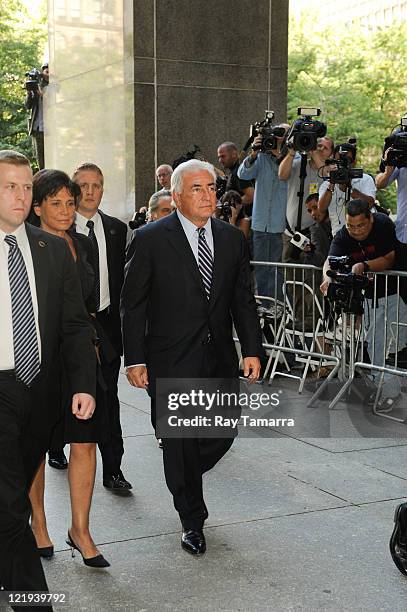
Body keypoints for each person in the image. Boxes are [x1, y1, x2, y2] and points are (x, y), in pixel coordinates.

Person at [121, 159, 263, 555]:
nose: (208, 195)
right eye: (198, 189)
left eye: (212, 188)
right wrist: (135, 359)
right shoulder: (150, 239)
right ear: (178, 195)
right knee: (182, 440)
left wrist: (252, 349)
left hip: (217, 357)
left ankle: (181, 469)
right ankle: (192, 519)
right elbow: (132, 306)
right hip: (169, 359)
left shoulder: (232, 238)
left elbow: (242, 301)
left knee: (223, 432)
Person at [0, 150, 96, 602]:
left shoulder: (52, 248)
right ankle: (32, 599)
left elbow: (75, 324)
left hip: (38, 390)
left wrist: (82, 385)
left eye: (24, 186)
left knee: (11, 495)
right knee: (11, 503)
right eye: (8, 187)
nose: (19, 196)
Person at [28, 169, 110, 568]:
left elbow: (90, 302)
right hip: (39, 359)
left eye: (69, 203)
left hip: (81, 355)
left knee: (85, 440)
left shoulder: (82, 244)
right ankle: (39, 523)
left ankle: (80, 529)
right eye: (55, 203)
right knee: (38, 447)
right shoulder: (24, 247)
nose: (65, 210)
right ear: (38, 206)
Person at [71, 163, 131, 490]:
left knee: (108, 399)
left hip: (107, 326)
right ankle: (56, 446)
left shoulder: (116, 230)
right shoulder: (61, 230)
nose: (91, 191)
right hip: (74, 329)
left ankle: (113, 469)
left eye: (97, 185)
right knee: (71, 394)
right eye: (84, 185)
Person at [320, 199, 407, 403]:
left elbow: (389, 259)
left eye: (360, 225)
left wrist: (363, 265)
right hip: (371, 296)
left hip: (398, 290)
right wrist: (327, 279)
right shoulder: (343, 234)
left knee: (398, 344)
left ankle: (388, 390)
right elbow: (329, 261)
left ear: (370, 219)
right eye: (351, 226)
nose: (356, 231)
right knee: (375, 344)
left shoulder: (383, 224)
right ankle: (388, 393)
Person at [237, 125, 289, 300]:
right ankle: (263, 306)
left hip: (280, 224)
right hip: (260, 223)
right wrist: (253, 153)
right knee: (261, 268)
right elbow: (242, 174)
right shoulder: (261, 157)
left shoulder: (293, 158)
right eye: (275, 134)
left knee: (276, 269)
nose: (277, 138)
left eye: (282, 134)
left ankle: (277, 306)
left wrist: (279, 154)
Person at [279, 135, 331, 261]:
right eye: (318, 146)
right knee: (289, 277)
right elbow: (281, 175)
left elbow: (327, 175)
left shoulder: (330, 170)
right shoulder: (297, 165)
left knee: (310, 276)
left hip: (315, 234)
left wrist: (314, 152)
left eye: (325, 148)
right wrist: (291, 152)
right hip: (290, 233)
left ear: (331, 153)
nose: (321, 149)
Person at [319, 142, 376, 236]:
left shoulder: (365, 179)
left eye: (347, 160)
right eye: (339, 160)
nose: (342, 164)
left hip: (365, 233)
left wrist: (349, 188)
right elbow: (321, 209)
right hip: (340, 234)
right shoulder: (327, 184)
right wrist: (332, 183)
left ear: (354, 162)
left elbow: (369, 204)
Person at [24, 63, 49, 170]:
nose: (47, 73)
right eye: (46, 71)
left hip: (50, 129)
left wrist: (42, 94)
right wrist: (30, 93)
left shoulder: (53, 87)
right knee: (41, 162)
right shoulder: (37, 85)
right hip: (37, 129)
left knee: (52, 157)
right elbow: (28, 106)